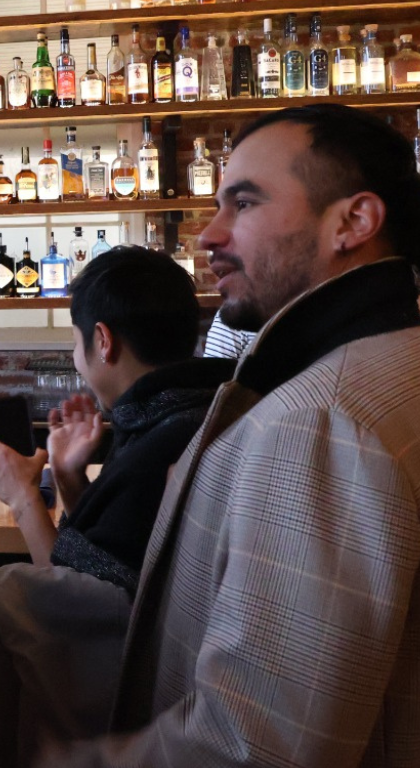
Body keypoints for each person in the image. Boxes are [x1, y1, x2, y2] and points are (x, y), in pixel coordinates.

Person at [26, 103, 420, 768]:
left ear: (353, 221)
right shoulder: (391, 358)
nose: (209, 233)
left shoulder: (319, 417)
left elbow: (257, 743)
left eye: (243, 203)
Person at [0, 246, 232, 767]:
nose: (74, 355)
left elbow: (74, 600)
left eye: (74, 340)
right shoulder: (185, 413)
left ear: (103, 341)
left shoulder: (162, 444)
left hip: (119, 700)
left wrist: (23, 494)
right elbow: (113, 562)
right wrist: (67, 479)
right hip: (173, 687)